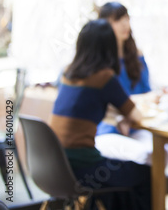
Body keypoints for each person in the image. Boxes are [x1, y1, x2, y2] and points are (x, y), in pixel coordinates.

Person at [49, 19, 151, 210]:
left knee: (120, 167)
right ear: (109, 47)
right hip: (82, 169)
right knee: (145, 173)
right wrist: (124, 115)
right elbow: (136, 116)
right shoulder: (104, 77)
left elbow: (85, 109)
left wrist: (118, 117)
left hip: (55, 167)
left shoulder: (68, 73)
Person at [95, 2, 161, 166]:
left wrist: (127, 113)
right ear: (104, 25)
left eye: (126, 18)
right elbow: (106, 103)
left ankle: (147, 192)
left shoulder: (137, 57)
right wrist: (124, 111)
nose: (125, 24)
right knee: (144, 155)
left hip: (136, 125)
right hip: (108, 128)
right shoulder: (98, 62)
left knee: (161, 152)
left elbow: (149, 95)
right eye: (118, 20)